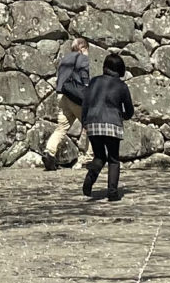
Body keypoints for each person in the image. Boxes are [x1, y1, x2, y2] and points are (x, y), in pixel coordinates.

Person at [81, 51, 135, 201]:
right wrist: (122, 116)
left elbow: (85, 103)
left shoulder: (94, 82)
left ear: (105, 67)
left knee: (99, 156)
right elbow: (129, 110)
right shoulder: (122, 86)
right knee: (113, 159)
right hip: (112, 124)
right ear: (120, 70)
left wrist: (85, 121)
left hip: (93, 122)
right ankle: (112, 192)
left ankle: (89, 181)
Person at [51, 36, 92, 166]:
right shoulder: (82, 58)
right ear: (82, 48)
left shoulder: (65, 59)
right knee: (90, 125)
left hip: (63, 96)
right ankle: (89, 157)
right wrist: (87, 91)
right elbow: (84, 77)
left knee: (61, 127)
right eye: (87, 49)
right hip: (76, 97)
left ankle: (49, 152)